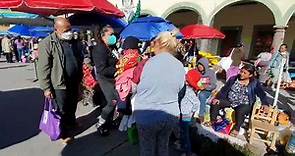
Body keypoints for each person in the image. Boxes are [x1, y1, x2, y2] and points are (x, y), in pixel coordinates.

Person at [134, 30, 185, 156]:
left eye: (154, 42)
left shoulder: (148, 63)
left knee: (147, 150)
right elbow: (181, 91)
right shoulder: (179, 65)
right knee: (163, 146)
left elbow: (136, 86)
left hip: (147, 114)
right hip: (169, 115)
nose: (152, 44)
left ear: (160, 44)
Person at [37, 17, 83, 144]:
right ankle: (63, 132)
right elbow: (43, 67)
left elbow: (79, 58)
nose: (69, 32)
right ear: (56, 29)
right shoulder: (47, 43)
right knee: (61, 108)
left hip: (74, 80)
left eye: (70, 29)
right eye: (66, 30)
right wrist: (46, 88)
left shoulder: (73, 41)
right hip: (59, 83)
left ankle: (72, 122)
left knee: (73, 103)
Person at [210, 64, 269, 136]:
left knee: (240, 110)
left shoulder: (254, 83)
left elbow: (261, 94)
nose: (241, 74)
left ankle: (236, 128)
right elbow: (224, 90)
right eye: (241, 71)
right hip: (230, 101)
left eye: (244, 73)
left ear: (250, 75)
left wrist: (265, 104)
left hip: (244, 104)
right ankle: (213, 121)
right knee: (215, 103)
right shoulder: (233, 79)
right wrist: (218, 98)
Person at [91, 25, 119, 135]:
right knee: (112, 101)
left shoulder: (111, 47)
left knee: (115, 100)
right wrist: (117, 69)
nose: (113, 37)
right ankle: (101, 123)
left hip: (113, 78)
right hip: (105, 79)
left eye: (114, 34)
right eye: (111, 34)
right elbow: (102, 69)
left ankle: (109, 122)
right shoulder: (99, 49)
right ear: (103, 36)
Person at [196, 57, 217, 123]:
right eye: (198, 64)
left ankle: (201, 115)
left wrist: (205, 87)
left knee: (202, 95)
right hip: (196, 89)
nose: (199, 66)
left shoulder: (211, 73)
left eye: (201, 65)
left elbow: (213, 85)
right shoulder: (196, 72)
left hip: (206, 91)